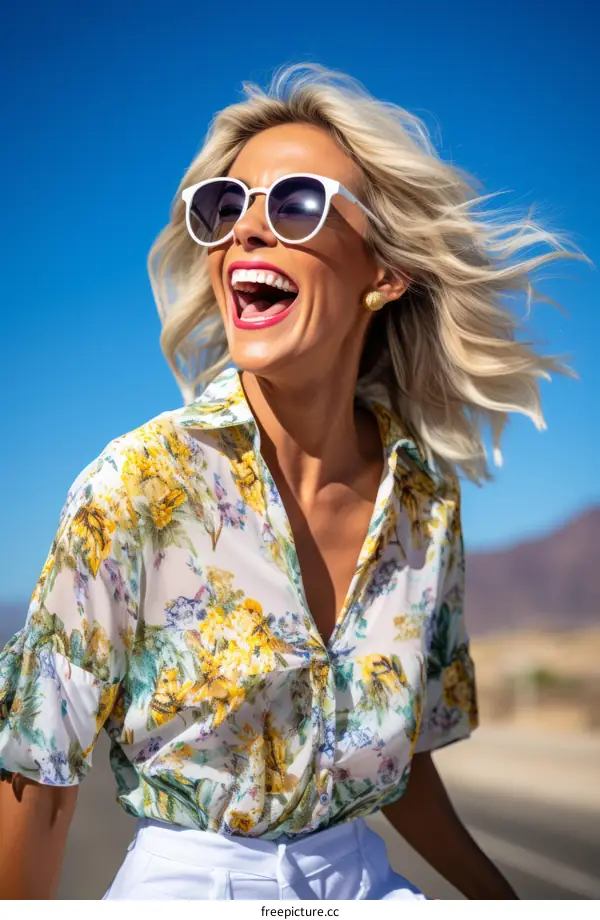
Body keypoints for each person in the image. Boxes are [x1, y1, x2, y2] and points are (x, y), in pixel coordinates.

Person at [0, 64, 582, 900]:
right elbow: (41, 785)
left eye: (296, 203)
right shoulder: (135, 488)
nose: (247, 232)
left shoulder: (423, 506)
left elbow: (400, 761)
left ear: (383, 272)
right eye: (225, 208)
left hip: (363, 885)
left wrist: (501, 903)